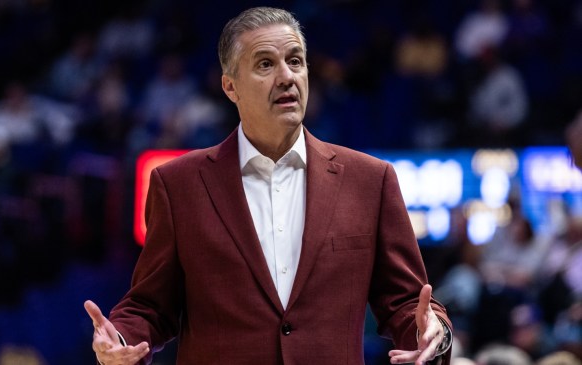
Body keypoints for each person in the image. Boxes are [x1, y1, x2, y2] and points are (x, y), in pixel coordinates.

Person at [84, 7, 453, 365]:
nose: (286, 76)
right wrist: (120, 340)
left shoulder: (370, 180)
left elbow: (407, 303)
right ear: (230, 86)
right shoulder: (178, 183)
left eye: (295, 61)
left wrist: (434, 332)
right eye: (265, 64)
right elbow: (150, 305)